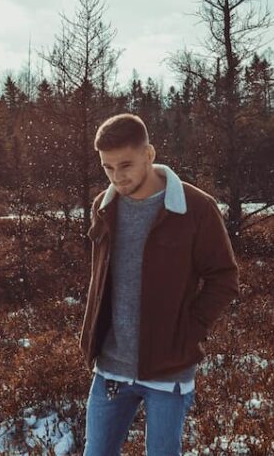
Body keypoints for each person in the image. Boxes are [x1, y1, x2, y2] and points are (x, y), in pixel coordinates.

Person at [79, 113, 239, 455]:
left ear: (149, 155)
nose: (117, 177)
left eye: (126, 165)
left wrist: (189, 330)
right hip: (111, 368)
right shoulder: (104, 207)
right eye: (108, 168)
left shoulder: (195, 208)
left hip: (169, 370)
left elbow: (224, 278)